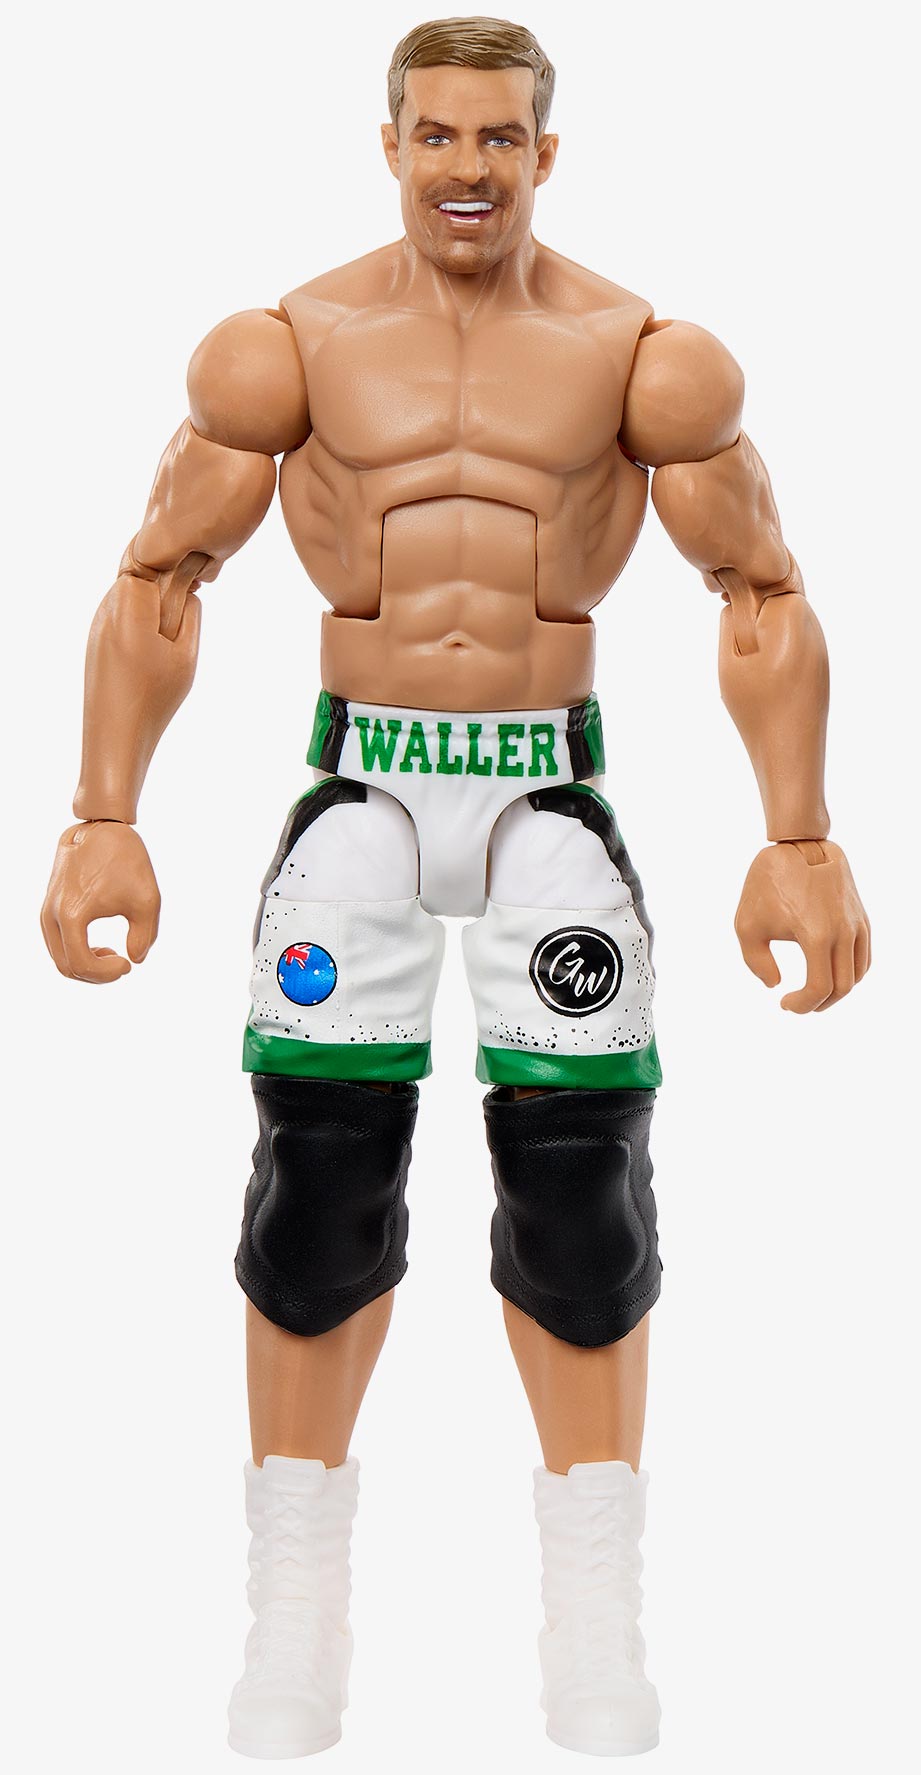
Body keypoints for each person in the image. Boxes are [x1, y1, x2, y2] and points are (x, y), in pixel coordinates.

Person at [40, 15, 870, 1761]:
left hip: (544, 796)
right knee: (314, 1184)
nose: (467, 167)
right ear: (390, 146)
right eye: (437, 136)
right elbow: (161, 572)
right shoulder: (290, 347)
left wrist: (796, 836)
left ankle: (591, 1610)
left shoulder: (643, 360)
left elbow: (758, 591)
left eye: (499, 138)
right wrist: (101, 811)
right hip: (357, 792)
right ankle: (293, 1610)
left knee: (582, 1191)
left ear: (545, 155)